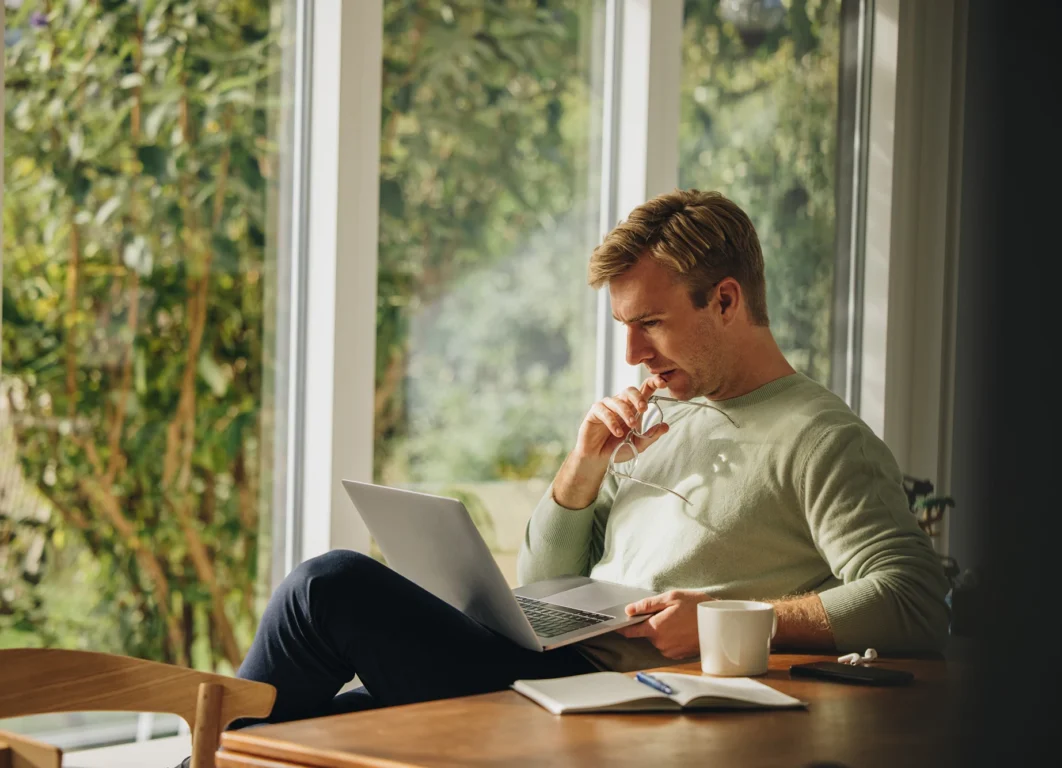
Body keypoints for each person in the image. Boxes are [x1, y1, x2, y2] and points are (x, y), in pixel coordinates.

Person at [217, 189, 950, 733]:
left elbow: (916, 601)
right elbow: (542, 581)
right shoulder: (664, 410)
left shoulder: (820, 437)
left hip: (629, 701)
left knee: (328, 587)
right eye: (625, 328)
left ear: (726, 300)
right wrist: (584, 467)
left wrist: (724, 617)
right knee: (298, 725)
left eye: (651, 325)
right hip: (553, 666)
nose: (632, 354)